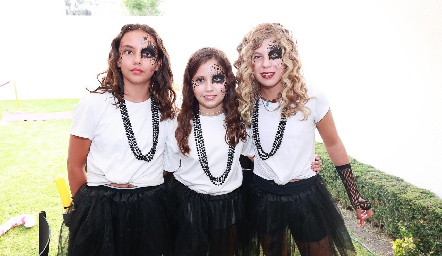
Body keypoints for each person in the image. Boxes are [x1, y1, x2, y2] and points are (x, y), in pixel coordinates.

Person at [164, 47, 322, 255]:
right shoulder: (175, 124)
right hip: (188, 207)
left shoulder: (241, 120)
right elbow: (166, 167)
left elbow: (259, 154)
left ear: (228, 83)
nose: (209, 87)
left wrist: (302, 161)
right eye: (200, 80)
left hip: (230, 205)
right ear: (189, 84)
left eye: (217, 79)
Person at [234, 23, 373, 256]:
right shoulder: (245, 103)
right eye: (257, 56)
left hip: (306, 196)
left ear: (287, 58)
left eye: (274, 55)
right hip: (263, 196)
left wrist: (355, 195)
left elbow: (333, 143)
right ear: (249, 62)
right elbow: (250, 149)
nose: (266, 64)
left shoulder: (311, 97)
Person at [59, 23, 177, 256]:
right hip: (100, 209)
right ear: (117, 59)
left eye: (147, 53)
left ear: (158, 63)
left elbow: (168, 166)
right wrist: (87, 209)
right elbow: (75, 165)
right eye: (129, 51)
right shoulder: (93, 105)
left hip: (151, 210)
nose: (137, 60)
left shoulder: (167, 112)